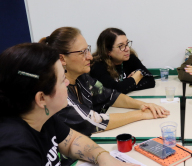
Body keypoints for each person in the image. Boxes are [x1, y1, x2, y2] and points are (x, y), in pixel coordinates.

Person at [0, 43, 147, 166]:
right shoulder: (13, 148)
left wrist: (101, 156)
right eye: (62, 80)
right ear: (41, 98)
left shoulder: (41, 117)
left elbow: (72, 141)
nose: (68, 83)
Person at [40, 27, 169, 137]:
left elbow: (111, 95)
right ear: (62, 58)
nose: (90, 56)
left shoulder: (82, 78)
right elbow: (92, 122)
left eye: (88, 50)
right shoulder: (56, 91)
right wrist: (141, 114)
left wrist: (143, 105)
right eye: (83, 52)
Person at [90, 28, 155, 94]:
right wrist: (138, 75)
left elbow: (151, 81)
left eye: (127, 44)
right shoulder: (97, 65)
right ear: (107, 51)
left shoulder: (130, 58)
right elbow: (115, 91)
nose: (127, 49)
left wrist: (126, 86)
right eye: (121, 46)